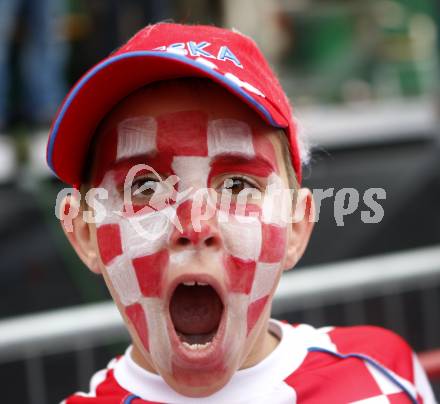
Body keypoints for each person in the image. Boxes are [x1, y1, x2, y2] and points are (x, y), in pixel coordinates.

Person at [47, 23, 436, 403]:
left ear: (296, 226)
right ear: (85, 232)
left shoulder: (383, 375)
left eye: (237, 187)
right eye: (145, 188)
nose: (194, 226)